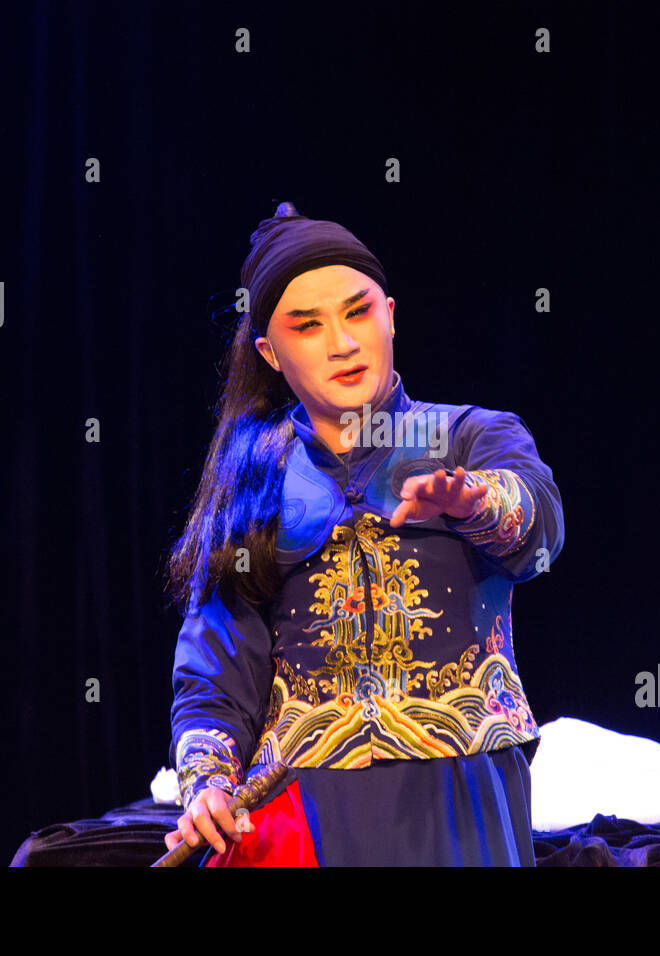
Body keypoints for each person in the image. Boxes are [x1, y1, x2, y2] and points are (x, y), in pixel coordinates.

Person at [162, 201, 564, 865]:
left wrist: (474, 502)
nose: (343, 342)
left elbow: (540, 529)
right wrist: (206, 783)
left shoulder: (471, 435)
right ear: (271, 352)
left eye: (358, 311)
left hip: (461, 793)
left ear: (391, 314)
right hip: (307, 812)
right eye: (308, 326)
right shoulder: (253, 478)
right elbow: (215, 668)